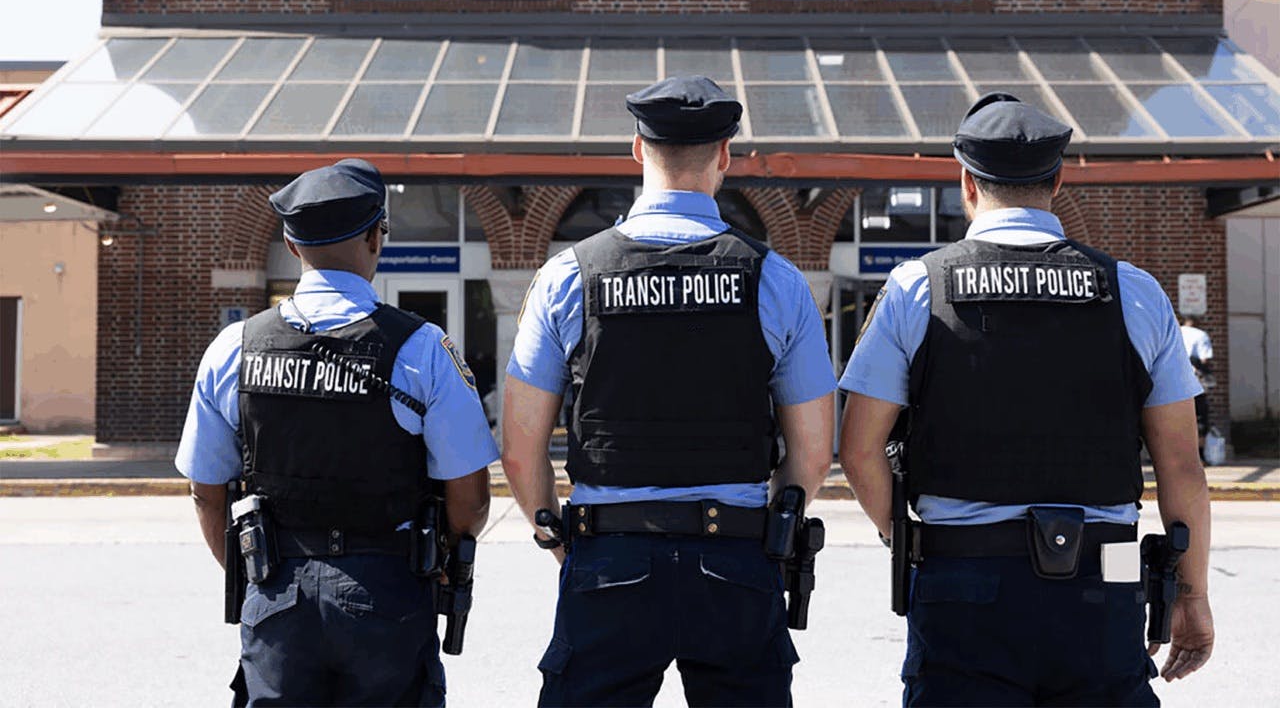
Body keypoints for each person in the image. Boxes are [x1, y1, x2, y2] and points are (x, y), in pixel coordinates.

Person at [839, 93, 1214, 706]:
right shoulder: (1134, 291)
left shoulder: (916, 287)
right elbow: (1182, 468)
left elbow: (859, 450)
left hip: (962, 579)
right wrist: (1193, 596)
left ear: (966, 183)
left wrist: (904, 540)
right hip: (1108, 576)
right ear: (1058, 180)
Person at [502, 75, 835, 707]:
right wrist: (770, 515)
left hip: (609, 558)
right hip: (735, 560)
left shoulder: (568, 276)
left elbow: (520, 450)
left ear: (636, 148)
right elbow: (814, 453)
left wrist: (559, 535)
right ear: (724, 155)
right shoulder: (776, 280)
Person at [175, 158, 494, 706]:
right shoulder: (422, 348)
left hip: (277, 589)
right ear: (376, 236)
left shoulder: (235, 347)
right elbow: (470, 500)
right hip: (388, 590)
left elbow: (206, 492)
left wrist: (260, 575)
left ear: (292, 245)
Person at [1180, 315, 1215, 452]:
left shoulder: (1174, 331)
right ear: (1197, 323)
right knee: (1200, 417)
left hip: (1172, 381)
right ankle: (1199, 455)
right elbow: (1205, 359)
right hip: (1194, 381)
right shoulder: (1201, 335)